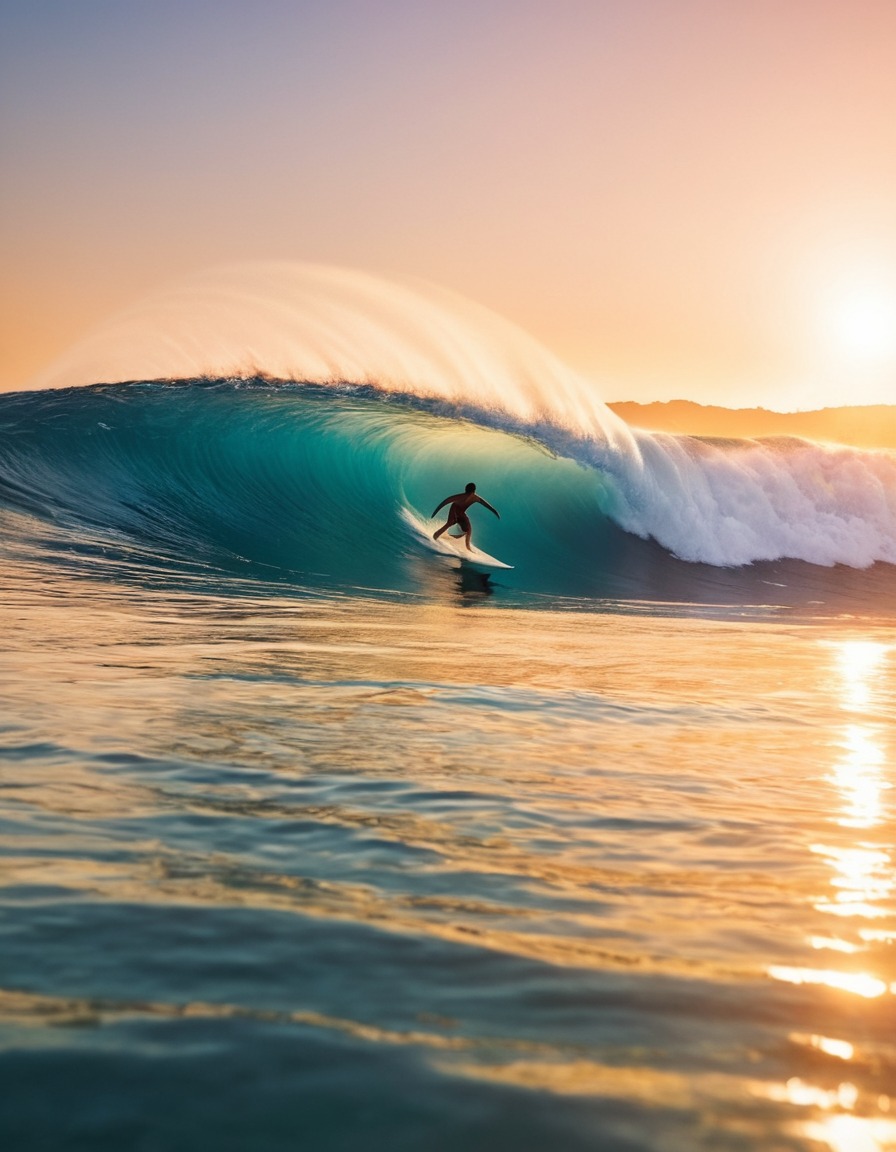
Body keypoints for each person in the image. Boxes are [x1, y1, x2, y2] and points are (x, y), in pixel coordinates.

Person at [431, 483, 499, 551]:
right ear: (474, 490)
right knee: (450, 523)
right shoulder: (465, 496)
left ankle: (468, 547)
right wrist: (435, 512)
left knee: (468, 528)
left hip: (461, 513)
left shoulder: (475, 498)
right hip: (454, 509)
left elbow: (486, 505)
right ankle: (435, 536)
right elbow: (445, 502)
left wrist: (495, 511)